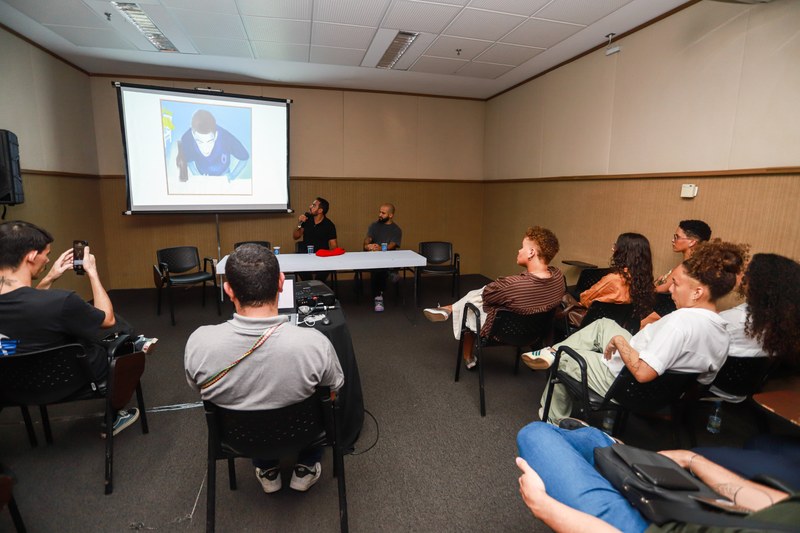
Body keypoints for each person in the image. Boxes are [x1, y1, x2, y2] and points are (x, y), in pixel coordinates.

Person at [525, 239, 748, 423]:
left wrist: (622, 342)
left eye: (676, 284)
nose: (670, 289)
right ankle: (550, 352)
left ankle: (551, 422)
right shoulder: (722, 332)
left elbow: (642, 373)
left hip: (624, 383)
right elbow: (700, 382)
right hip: (659, 391)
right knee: (604, 324)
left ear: (697, 292)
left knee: (565, 356)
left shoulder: (679, 323)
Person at [184, 244, 343, 494]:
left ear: (228, 290)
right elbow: (333, 391)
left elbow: (198, 389)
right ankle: (307, 464)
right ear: (281, 283)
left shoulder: (199, 342)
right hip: (304, 434)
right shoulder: (314, 343)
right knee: (322, 400)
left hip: (237, 440)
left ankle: (266, 467)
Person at [0, 221, 152, 436]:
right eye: (47, 254)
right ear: (32, 256)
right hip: (76, 382)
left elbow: (26, 302)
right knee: (117, 332)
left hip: (13, 388)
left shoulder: (43, 303)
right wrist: (92, 272)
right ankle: (116, 410)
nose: (48, 260)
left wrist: (50, 276)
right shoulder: (62, 302)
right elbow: (107, 319)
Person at [515, 421, 798, 533]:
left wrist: (546, 507)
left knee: (535, 433)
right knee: (597, 445)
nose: (671, 288)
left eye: (676, 285)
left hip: (641, 528)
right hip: (700, 504)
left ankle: (605, 444)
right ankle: (607, 444)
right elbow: (774, 504)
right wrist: (692, 459)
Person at [423, 226, 564, 369]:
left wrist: (499, 288)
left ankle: (468, 355)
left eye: (522, 247)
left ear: (531, 252)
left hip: (500, 333)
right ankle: (449, 309)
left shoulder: (511, 285)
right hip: (534, 333)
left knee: (472, 305)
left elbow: (487, 295)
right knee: (481, 296)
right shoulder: (558, 277)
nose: (519, 250)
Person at [559, 233, 654, 332]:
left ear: (624, 252)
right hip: (622, 330)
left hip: (595, 328)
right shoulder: (644, 281)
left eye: (616, 246)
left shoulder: (614, 280)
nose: (613, 249)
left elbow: (585, 299)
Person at [642, 220, 712, 328]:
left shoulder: (685, 268)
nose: (673, 240)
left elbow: (657, 289)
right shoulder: (700, 265)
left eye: (676, 237)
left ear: (692, 242)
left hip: (671, 313)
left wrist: (659, 282)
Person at [176, 109, 250, 182]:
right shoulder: (187, 139)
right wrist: (197, 175)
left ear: (216, 135)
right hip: (202, 177)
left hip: (223, 176)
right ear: (193, 135)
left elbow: (245, 158)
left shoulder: (226, 137)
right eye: (200, 142)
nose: (206, 149)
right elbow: (188, 160)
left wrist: (233, 175)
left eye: (210, 141)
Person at [363, 203, 402, 311]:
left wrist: (379, 248)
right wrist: (368, 245)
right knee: (378, 270)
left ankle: (378, 297)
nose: (380, 214)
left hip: (389, 258)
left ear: (391, 215)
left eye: (383, 213)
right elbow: (368, 238)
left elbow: (392, 245)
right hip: (374, 258)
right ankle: (389, 276)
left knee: (380, 270)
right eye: (380, 212)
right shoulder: (374, 225)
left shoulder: (396, 229)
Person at [293, 197, 338, 282]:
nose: (310, 206)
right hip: (306, 256)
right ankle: (309, 285)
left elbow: (333, 245)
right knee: (300, 267)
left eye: (314, 205)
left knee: (323, 274)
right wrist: (299, 223)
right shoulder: (307, 220)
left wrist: (332, 258)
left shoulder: (329, 225)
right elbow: (296, 236)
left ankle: (317, 285)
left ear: (320, 210)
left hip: (321, 257)